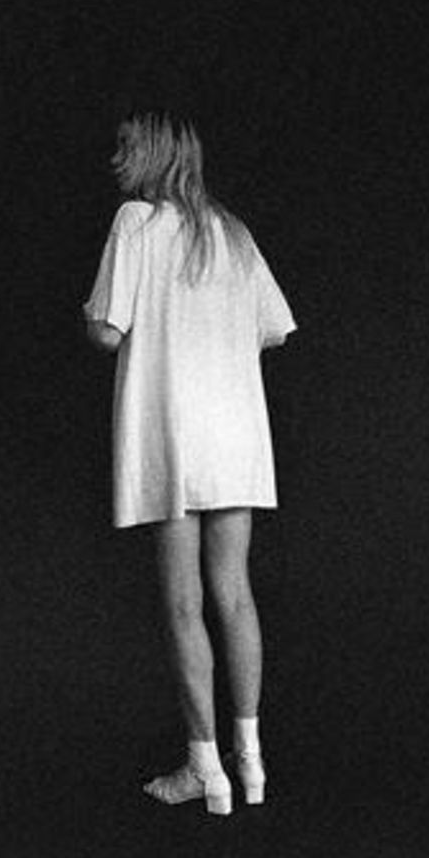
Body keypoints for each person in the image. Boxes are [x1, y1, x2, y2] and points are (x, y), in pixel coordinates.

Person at [80, 111, 298, 816]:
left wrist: (111, 318)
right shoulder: (232, 232)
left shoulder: (135, 223)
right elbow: (274, 329)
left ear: (152, 155)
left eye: (126, 147)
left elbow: (106, 331)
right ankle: (252, 762)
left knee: (183, 601)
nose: (117, 158)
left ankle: (206, 769)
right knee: (234, 592)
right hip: (235, 431)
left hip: (173, 430)